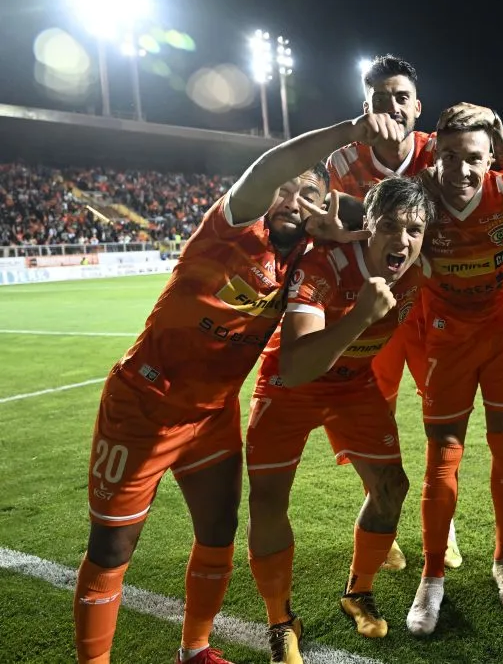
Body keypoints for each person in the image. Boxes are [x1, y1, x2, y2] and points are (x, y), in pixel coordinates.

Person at [71, 113, 400, 664]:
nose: (293, 199)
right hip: (143, 406)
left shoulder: (304, 256)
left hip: (211, 415)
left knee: (219, 531)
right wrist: (352, 130)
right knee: (111, 548)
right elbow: (269, 167)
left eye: (308, 193)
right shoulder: (231, 227)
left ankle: (194, 649)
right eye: (285, 191)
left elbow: (366, 216)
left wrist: (341, 225)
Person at [327, 54, 503, 571]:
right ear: (364, 105)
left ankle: (445, 524)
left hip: (430, 309)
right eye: (379, 97)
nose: (391, 107)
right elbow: (337, 234)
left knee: (440, 420)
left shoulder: (440, 150)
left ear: (417, 106)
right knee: (372, 415)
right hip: (373, 311)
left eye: (400, 96)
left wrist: (498, 129)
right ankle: (382, 514)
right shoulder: (342, 163)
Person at [246, 177, 433, 656]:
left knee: (392, 487)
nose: (402, 240)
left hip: (353, 385)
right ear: (366, 227)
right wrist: (359, 317)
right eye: (389, 226)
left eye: (414, 229)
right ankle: (281, 621)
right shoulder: (323, 266)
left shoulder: (416, 272)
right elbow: (297, 364)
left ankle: (358, 592)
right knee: (268, 501)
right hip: (291, 386)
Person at [404, 112, 503, 636]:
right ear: (435, 153)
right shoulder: (414, 197)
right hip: (445, 332)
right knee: (443, 454)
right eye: (450, 156)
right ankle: (432, 575)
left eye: (475, 158)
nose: (461, 168)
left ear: (491, 159)